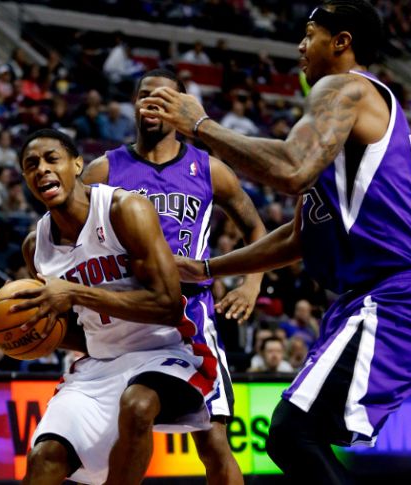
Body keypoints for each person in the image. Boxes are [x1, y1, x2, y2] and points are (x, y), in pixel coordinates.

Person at [142, 1, 411, 483]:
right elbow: (300, 235)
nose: (300, 46)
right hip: (388, 294)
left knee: (292, 433)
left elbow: (290, 169)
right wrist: (207, 269)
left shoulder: (345, 87)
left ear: (342, 41)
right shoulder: (338, 129)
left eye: (310, 34)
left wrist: (201, 127)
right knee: (295, 435)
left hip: (400, 292)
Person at [0, 129, 214, 485]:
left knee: (138, 405)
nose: (42, 169)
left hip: (166, 351)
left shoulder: (124, 209)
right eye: (31, 165)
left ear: (77, 165)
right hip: (100, 362)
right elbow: (76, 335)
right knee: (45, 459)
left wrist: (77, 294)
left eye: (52, 159)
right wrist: (19, 326)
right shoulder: (36, 247)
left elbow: (167, 305)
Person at [82, 68, 268, 485]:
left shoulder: (209, 169)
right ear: (134, 105)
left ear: (181, 107)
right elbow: (66, 239)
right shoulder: (103, 170)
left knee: (213, 439)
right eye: (144, 95)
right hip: (128, 313)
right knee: (117, 432)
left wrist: (252, 283)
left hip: (190, 315)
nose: (152, 102)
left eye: (164, 97)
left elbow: (256, 229)